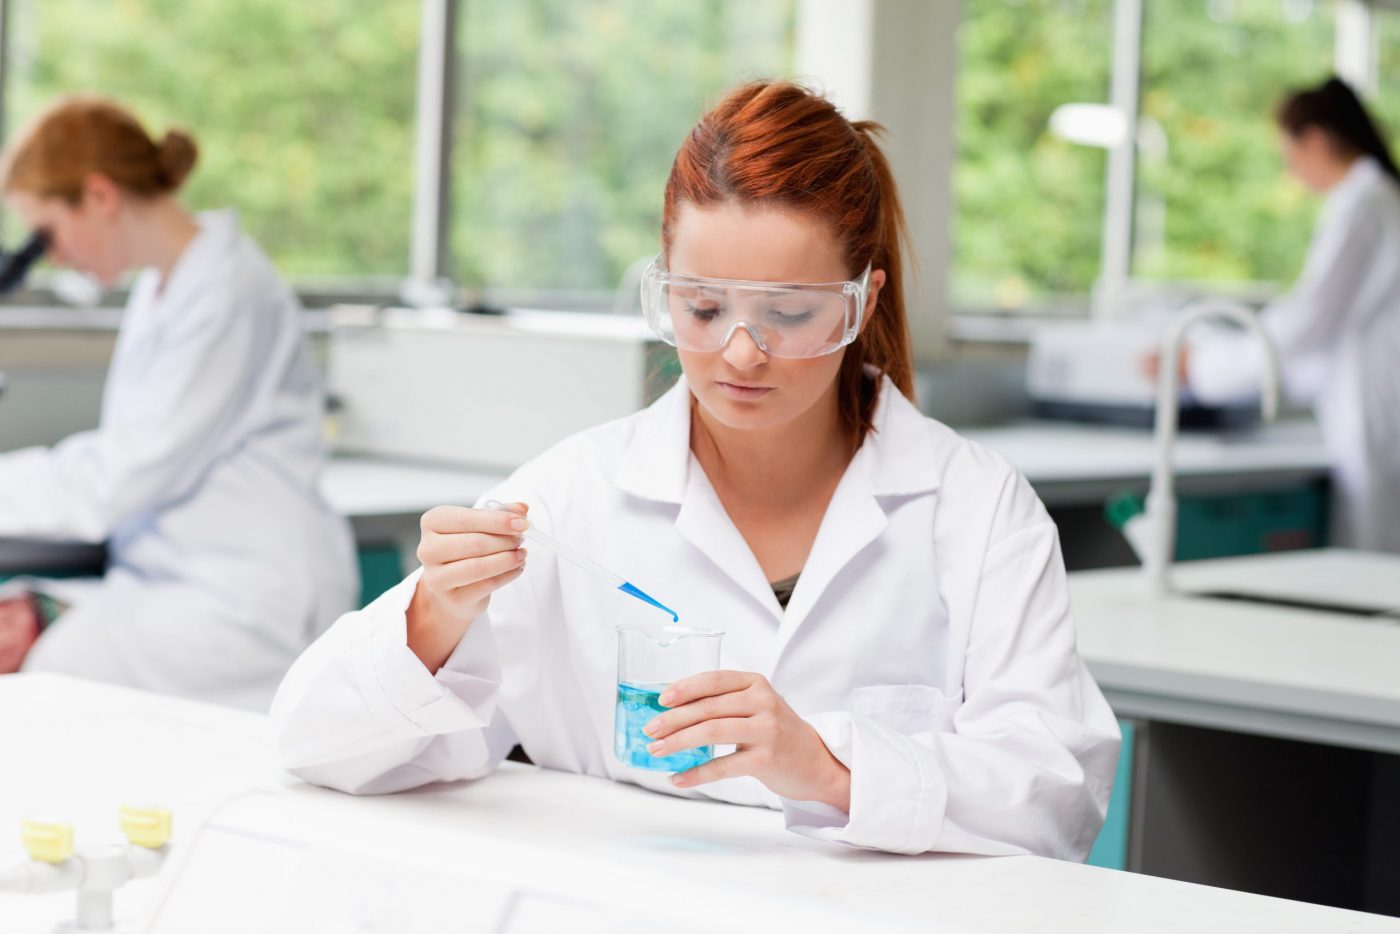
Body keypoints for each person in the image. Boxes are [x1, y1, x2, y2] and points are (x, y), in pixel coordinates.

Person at [271, 81, 1119, 858]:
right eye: (702, 307)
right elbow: (315, 743)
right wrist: (432, 617)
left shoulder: (974, 507)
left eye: (789, 312)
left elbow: (1061, 794)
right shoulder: (573, 497)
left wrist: (830, 767)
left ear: (861, 302)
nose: (739, 352)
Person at [0, 96, 358, 711]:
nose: (51, 256)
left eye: (48, 233)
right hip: (175, 581)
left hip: (246, 599)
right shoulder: (165, 287)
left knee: (38, 683)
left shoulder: (226, 287)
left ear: (100, 196)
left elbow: (122, 475)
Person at [1185, 76, 1400, 552]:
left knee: (1375, 575)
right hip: (1372, 413)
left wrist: (1202, 367)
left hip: (1377, 417)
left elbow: (1309, 322)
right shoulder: (1376, 199)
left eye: (1291, 157)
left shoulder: (1364, 204)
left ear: (1318, 140)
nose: (1293, 174)